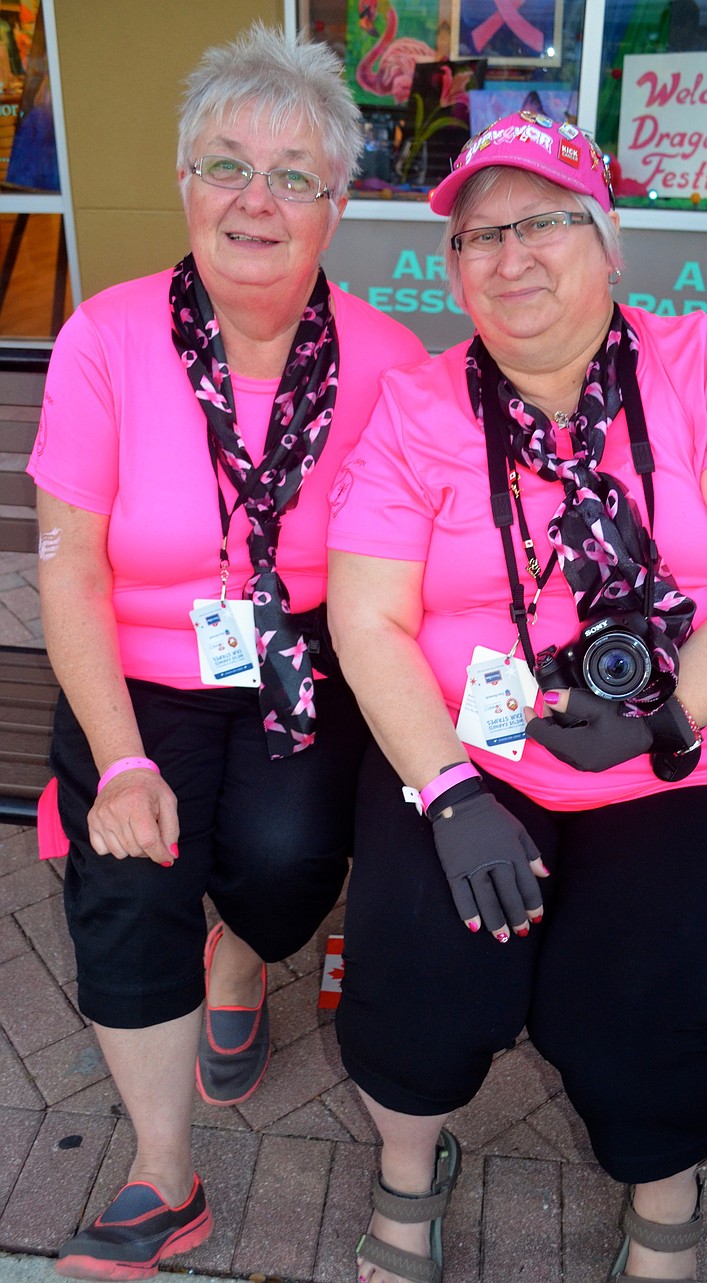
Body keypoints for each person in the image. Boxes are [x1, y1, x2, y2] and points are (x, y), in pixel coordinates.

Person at [326, 111, 707, 1283]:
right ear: (450, 268)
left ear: (608, 245)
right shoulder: (417, 409)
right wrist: (447, 791)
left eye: (544, 223)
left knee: (624, 1014)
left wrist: (664, 714)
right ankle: (411, 1174)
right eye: (476, 237)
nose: (509, 258)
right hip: (471, 758)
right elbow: (368, 618)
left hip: (689, 763)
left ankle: (665, 1192)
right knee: (418, 987)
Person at [28, 24, 425, 1282]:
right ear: (186, 181)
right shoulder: (106, 336)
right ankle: (163, 1173)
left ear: (340, 203)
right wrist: (121, 756)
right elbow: (70, 567)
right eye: (226, 164)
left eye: (294, 172)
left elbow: (415, 570)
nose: (256, 198)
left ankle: (247, 951)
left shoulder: (389, 362)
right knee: (126, 885)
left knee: (287, 856)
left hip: (302, 663)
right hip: (133, 666)